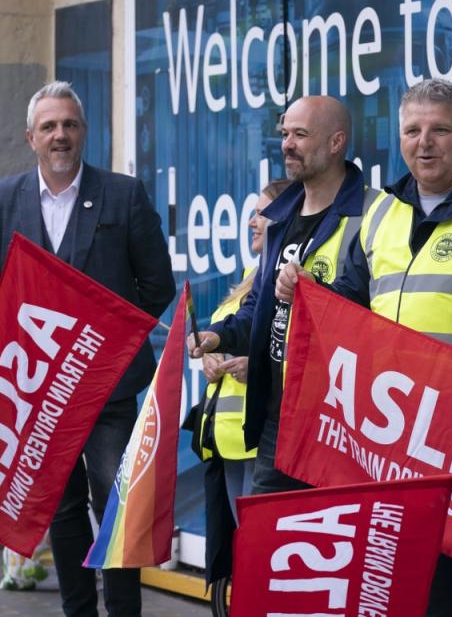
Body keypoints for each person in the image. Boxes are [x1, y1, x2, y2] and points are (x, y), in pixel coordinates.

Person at [277, 79, 452, 616]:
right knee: (418, 590)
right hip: (402, 449)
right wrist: (307, 292)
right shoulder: (382, 212)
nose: (424, 143)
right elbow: (349, 308)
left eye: (440, 130)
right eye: (412, 131)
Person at [0, 81, 175, 617]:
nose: (60, 135)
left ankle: (124, 612)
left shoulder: (123, 194)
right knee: (59, 508)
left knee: (114, 506)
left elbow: (156, 286)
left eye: (70, 125)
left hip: (109, 385)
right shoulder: (1, 197)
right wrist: (25, 351)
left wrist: (109, 346)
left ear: (84, 132)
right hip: (39, 389)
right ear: (30, 137)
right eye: (50, 126)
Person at [189, 95, 379, 495]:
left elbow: (377, 310)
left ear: (336, 142)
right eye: (285, 134)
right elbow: (259, 308)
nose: (287, 144)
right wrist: (218, 335)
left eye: (301, 134)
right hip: (280, 415)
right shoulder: (279, 220)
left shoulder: (375, 213)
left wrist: (314, 294)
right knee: (266, 546)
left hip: (340, 418)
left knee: (332, 542)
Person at [189, 179, 291, 596]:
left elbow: (291, 345)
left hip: (263, 439)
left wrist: (261, 364)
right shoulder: (250, 280)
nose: (252, 222)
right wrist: (209, 353)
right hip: (229, 442)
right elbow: (227, 333)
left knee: (263, 555)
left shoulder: (284, 279)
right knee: (243, 555)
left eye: (263, 213)